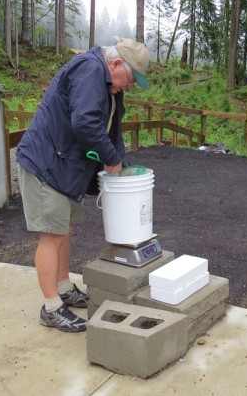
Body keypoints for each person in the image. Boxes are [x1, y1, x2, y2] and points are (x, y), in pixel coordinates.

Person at [15, 38, 150, 333]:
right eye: (130, 80)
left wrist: (121, 165)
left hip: (67, 165)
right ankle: (51, 308)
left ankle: (63, 288)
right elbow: (85, 123)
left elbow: (112, 131)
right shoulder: (89, 70)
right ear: (115, 64)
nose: (130, 87)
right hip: (47, 162)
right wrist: (110, 161)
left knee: (65, 229)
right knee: (51, 235)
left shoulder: (110, 87)